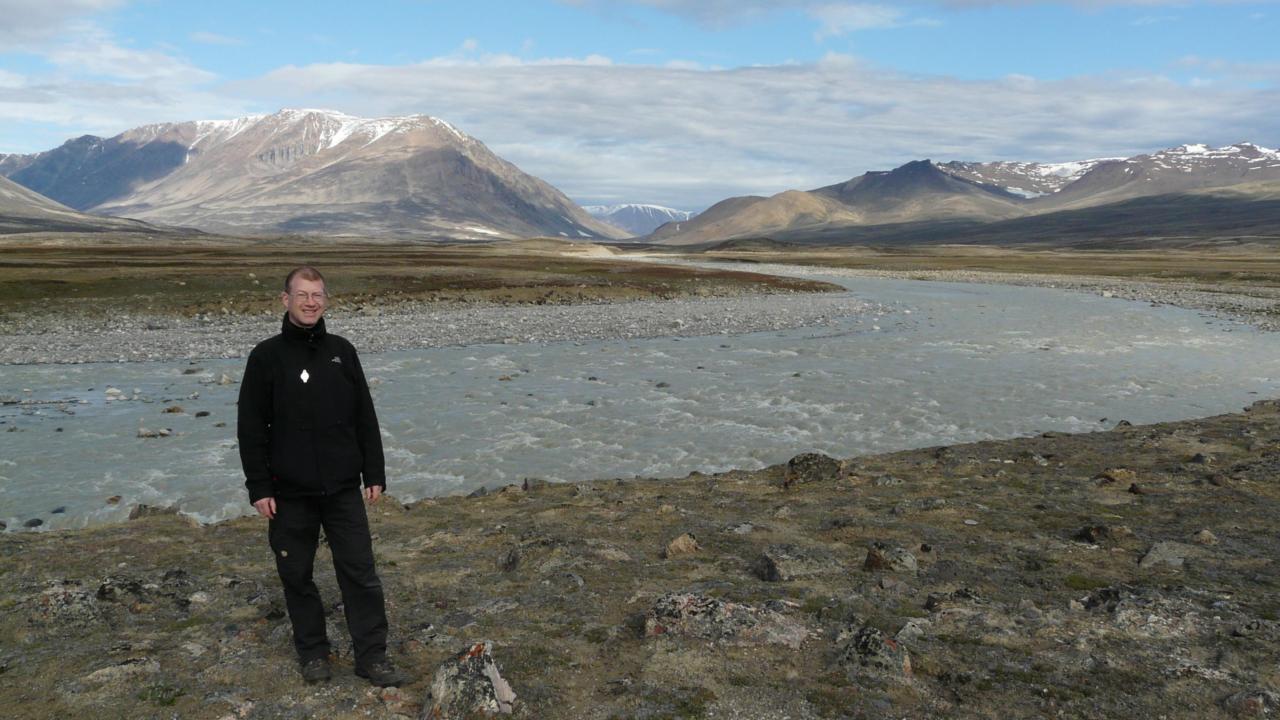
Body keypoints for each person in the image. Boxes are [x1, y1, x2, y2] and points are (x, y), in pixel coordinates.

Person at [237, 265, 407, 687]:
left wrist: (375, 472)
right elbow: (251, 427)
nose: (310, 302)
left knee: (360, 573)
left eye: (317, 295)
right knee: (297, 576)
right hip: (288, 493)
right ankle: (313, 654)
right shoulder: (265, 357)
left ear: (326, 300)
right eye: (302, 295)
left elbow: (364, 415)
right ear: (285, 300)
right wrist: (258, 487)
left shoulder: (342, 352)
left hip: (343, 488)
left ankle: (372, 657)